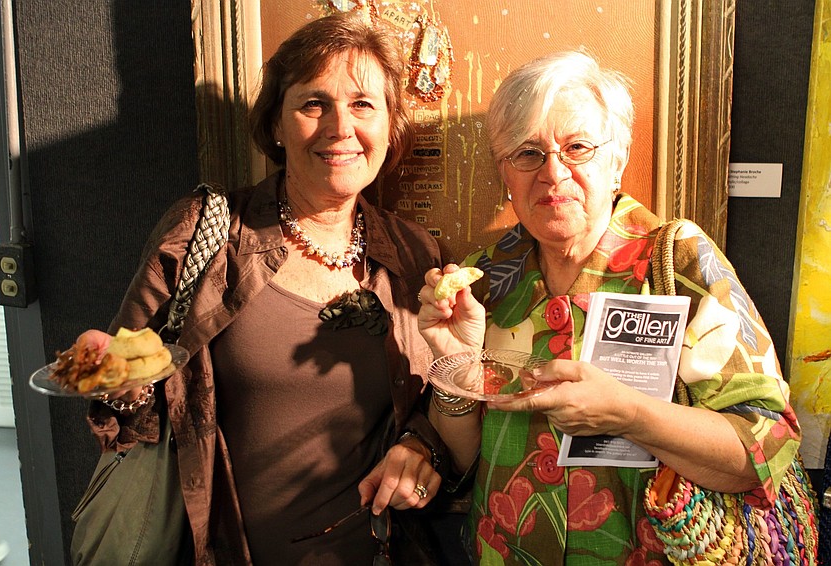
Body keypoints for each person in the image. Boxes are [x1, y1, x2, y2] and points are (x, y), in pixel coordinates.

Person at [81, 11, 449, 565]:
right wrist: (116, 384)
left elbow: (448, 400)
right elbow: (132, 413)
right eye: (313, 103)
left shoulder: (417, 257)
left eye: (363, 104)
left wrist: (422, 446)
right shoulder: (205, 234)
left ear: (390, 125)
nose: (340, 127)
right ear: (276, 123)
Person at [417, 51, 802, 564]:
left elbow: (767, 448)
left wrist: (631, 415)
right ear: (504, 173)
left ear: (617, 159)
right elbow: (461, 461)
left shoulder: (676, 260)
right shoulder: (485, 279)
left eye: (577, 147)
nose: (554, 173)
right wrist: (458, 365)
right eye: (527, 153)